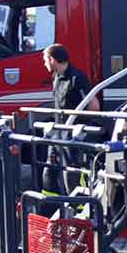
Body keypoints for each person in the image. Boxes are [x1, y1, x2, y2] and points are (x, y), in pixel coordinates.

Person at [42, 43, 99, 196]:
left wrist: (82, 127)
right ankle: (49, 205)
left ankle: (78, 207)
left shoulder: (77, 77)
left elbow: (94, 105)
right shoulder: (56, 77)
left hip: (73, 134)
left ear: (52, 59)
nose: (44, 63)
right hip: (58, 132)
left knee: (71, 173)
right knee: (49, 170)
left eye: (45, 60)